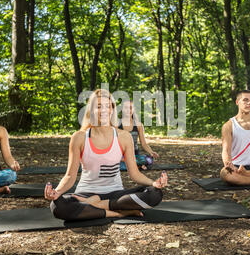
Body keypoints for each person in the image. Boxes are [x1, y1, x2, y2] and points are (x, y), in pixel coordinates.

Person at [44, 89, 168, 221]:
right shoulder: (79, 137)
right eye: (98, 106)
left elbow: (135, 174)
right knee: (57, 206)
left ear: (112, 110)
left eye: (108, 106)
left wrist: (154, 183)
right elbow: (69, 176)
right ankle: (118, 213)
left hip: (115, 194)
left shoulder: (123, 137)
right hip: (85, 193)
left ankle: (94, 206)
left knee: (154, 194)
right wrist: (56, 192)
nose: (104, 110)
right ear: (91, 110)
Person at [118, 100, 159, 171]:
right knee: (112, 161)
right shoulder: (116, 124)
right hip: (121, 156)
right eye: (126, 108)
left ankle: (133, 164)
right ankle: (137, 166)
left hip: (135, 155)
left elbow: (143, 144)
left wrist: (151, 152)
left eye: (130, 108)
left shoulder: (139, 125)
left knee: (149, 159)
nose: (128, 110)